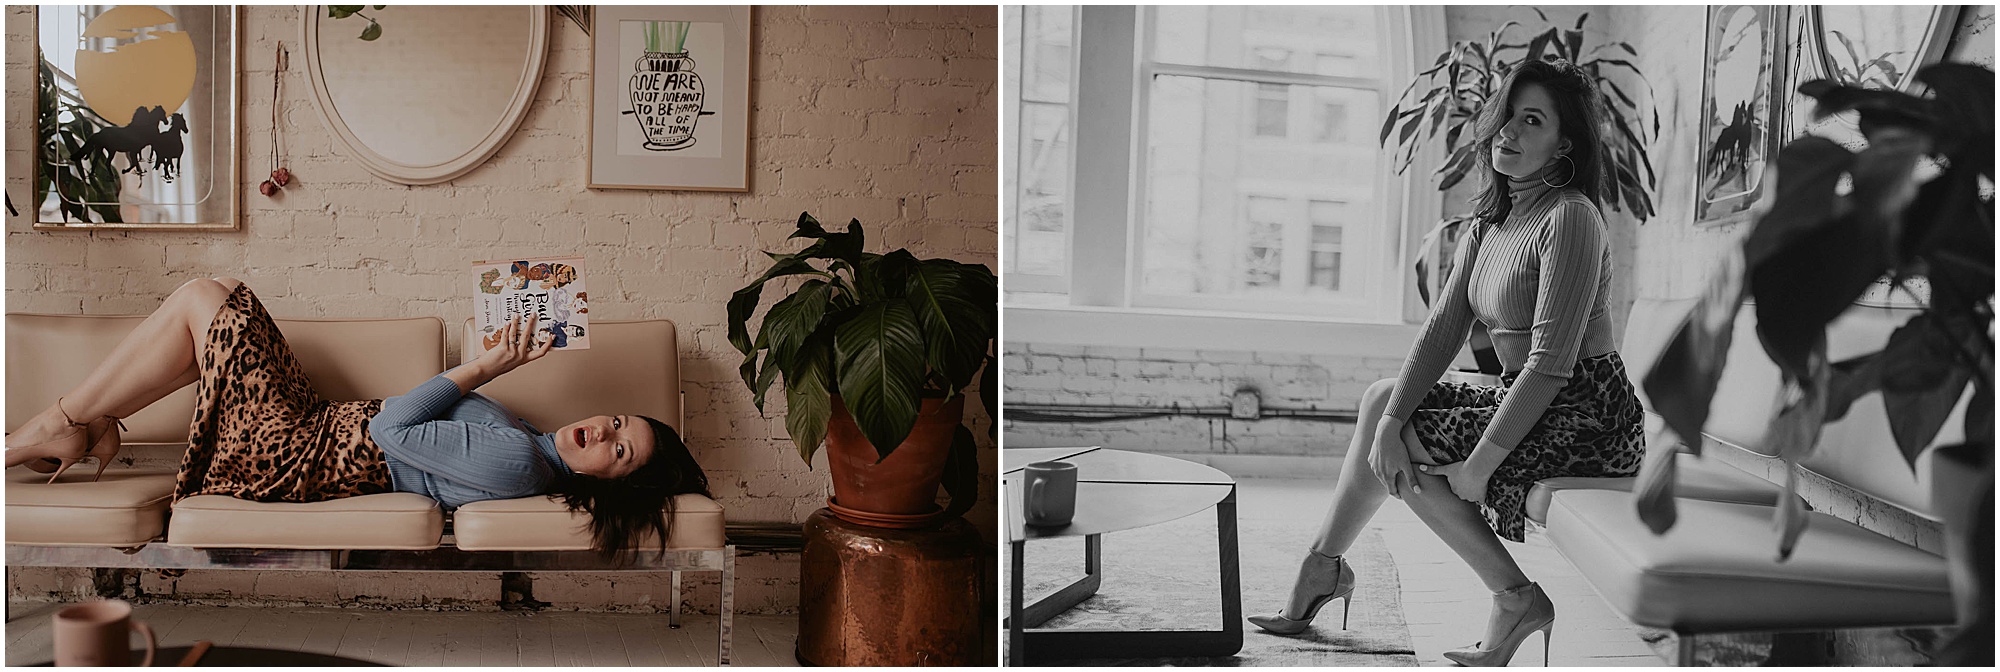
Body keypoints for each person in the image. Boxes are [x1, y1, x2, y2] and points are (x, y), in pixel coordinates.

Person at [1246, 58, 1645, 667]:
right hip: (1535, 397)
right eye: (1506, 116)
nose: (1507, 132)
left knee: (1414, 445)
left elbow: (1551, 367)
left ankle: (1515, 598)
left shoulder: (1572, 218)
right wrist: (1386, 423)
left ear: (1564, 143)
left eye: (1530, 120)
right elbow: (1441, 332)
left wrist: (1480, 467)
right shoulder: (1490, 225)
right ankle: (1322, 564)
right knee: (1385, 403)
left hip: (1588, 417)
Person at [3, 278, 709, 558]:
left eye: (619, 452)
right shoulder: (526, 444)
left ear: (609, 484)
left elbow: (390, 431)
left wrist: (485, 368)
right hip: (313, 427)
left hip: (294, 451)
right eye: (618, 422)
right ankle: (77, 422)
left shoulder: (520, 462)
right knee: (208, 315)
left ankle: (54, 426)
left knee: (203, 301)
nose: (604, 432)